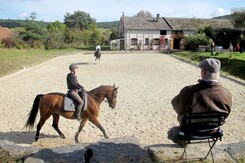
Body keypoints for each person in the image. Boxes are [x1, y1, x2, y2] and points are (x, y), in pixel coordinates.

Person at [168, 58, 232, 147]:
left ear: (204, 72)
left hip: (190, 131)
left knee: (172, 132)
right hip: (213, 130)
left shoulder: (189, 91)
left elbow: (176, 106)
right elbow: (226, 114)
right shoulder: (226, 94)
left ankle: (184, 142)